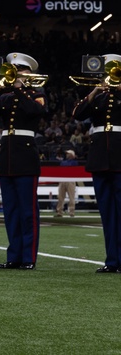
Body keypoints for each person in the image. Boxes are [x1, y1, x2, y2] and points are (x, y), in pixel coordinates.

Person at [0, 51, 46, 271]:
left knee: (28, 211)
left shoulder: (36, 92)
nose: (15, 73)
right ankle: (14, 256)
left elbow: (35, 112)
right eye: (13, 70)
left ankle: (28, 258)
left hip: (26, 155)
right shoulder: (6, 96)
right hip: (7, 155)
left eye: (19, 70)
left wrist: (19, 89)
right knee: (10, 211)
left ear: (28, 73)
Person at [72, 55, 121, 273]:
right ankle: (112, 261)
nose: (109, 77)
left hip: (119, 157)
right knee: (107, 214)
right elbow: (77, 114)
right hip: (100, 158)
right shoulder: (98, 97)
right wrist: (93, 92)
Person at [56, 150, 79, 217]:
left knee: (71, 197)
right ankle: (59, 212)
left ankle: (71, 212)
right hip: (62, 180)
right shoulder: (63, 162)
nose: (67, 155)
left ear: (72, 155)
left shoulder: (74, 162)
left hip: (70, 180)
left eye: (68, 154)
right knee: (60, 197)